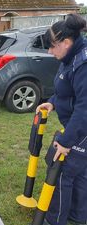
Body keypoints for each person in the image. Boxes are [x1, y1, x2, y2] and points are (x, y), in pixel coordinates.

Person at [35, 14, 87, 225]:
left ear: (67, 42)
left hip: (82, 128)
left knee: (62, 168)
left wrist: (66, 142)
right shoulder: (70, 58)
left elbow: (85, 108)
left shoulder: (83, 64)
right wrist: (53, 102)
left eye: (52, 46)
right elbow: (68, 91)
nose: (49, 51)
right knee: (80, 171)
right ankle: (79, 214)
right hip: (79, 127)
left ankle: (54, 219)